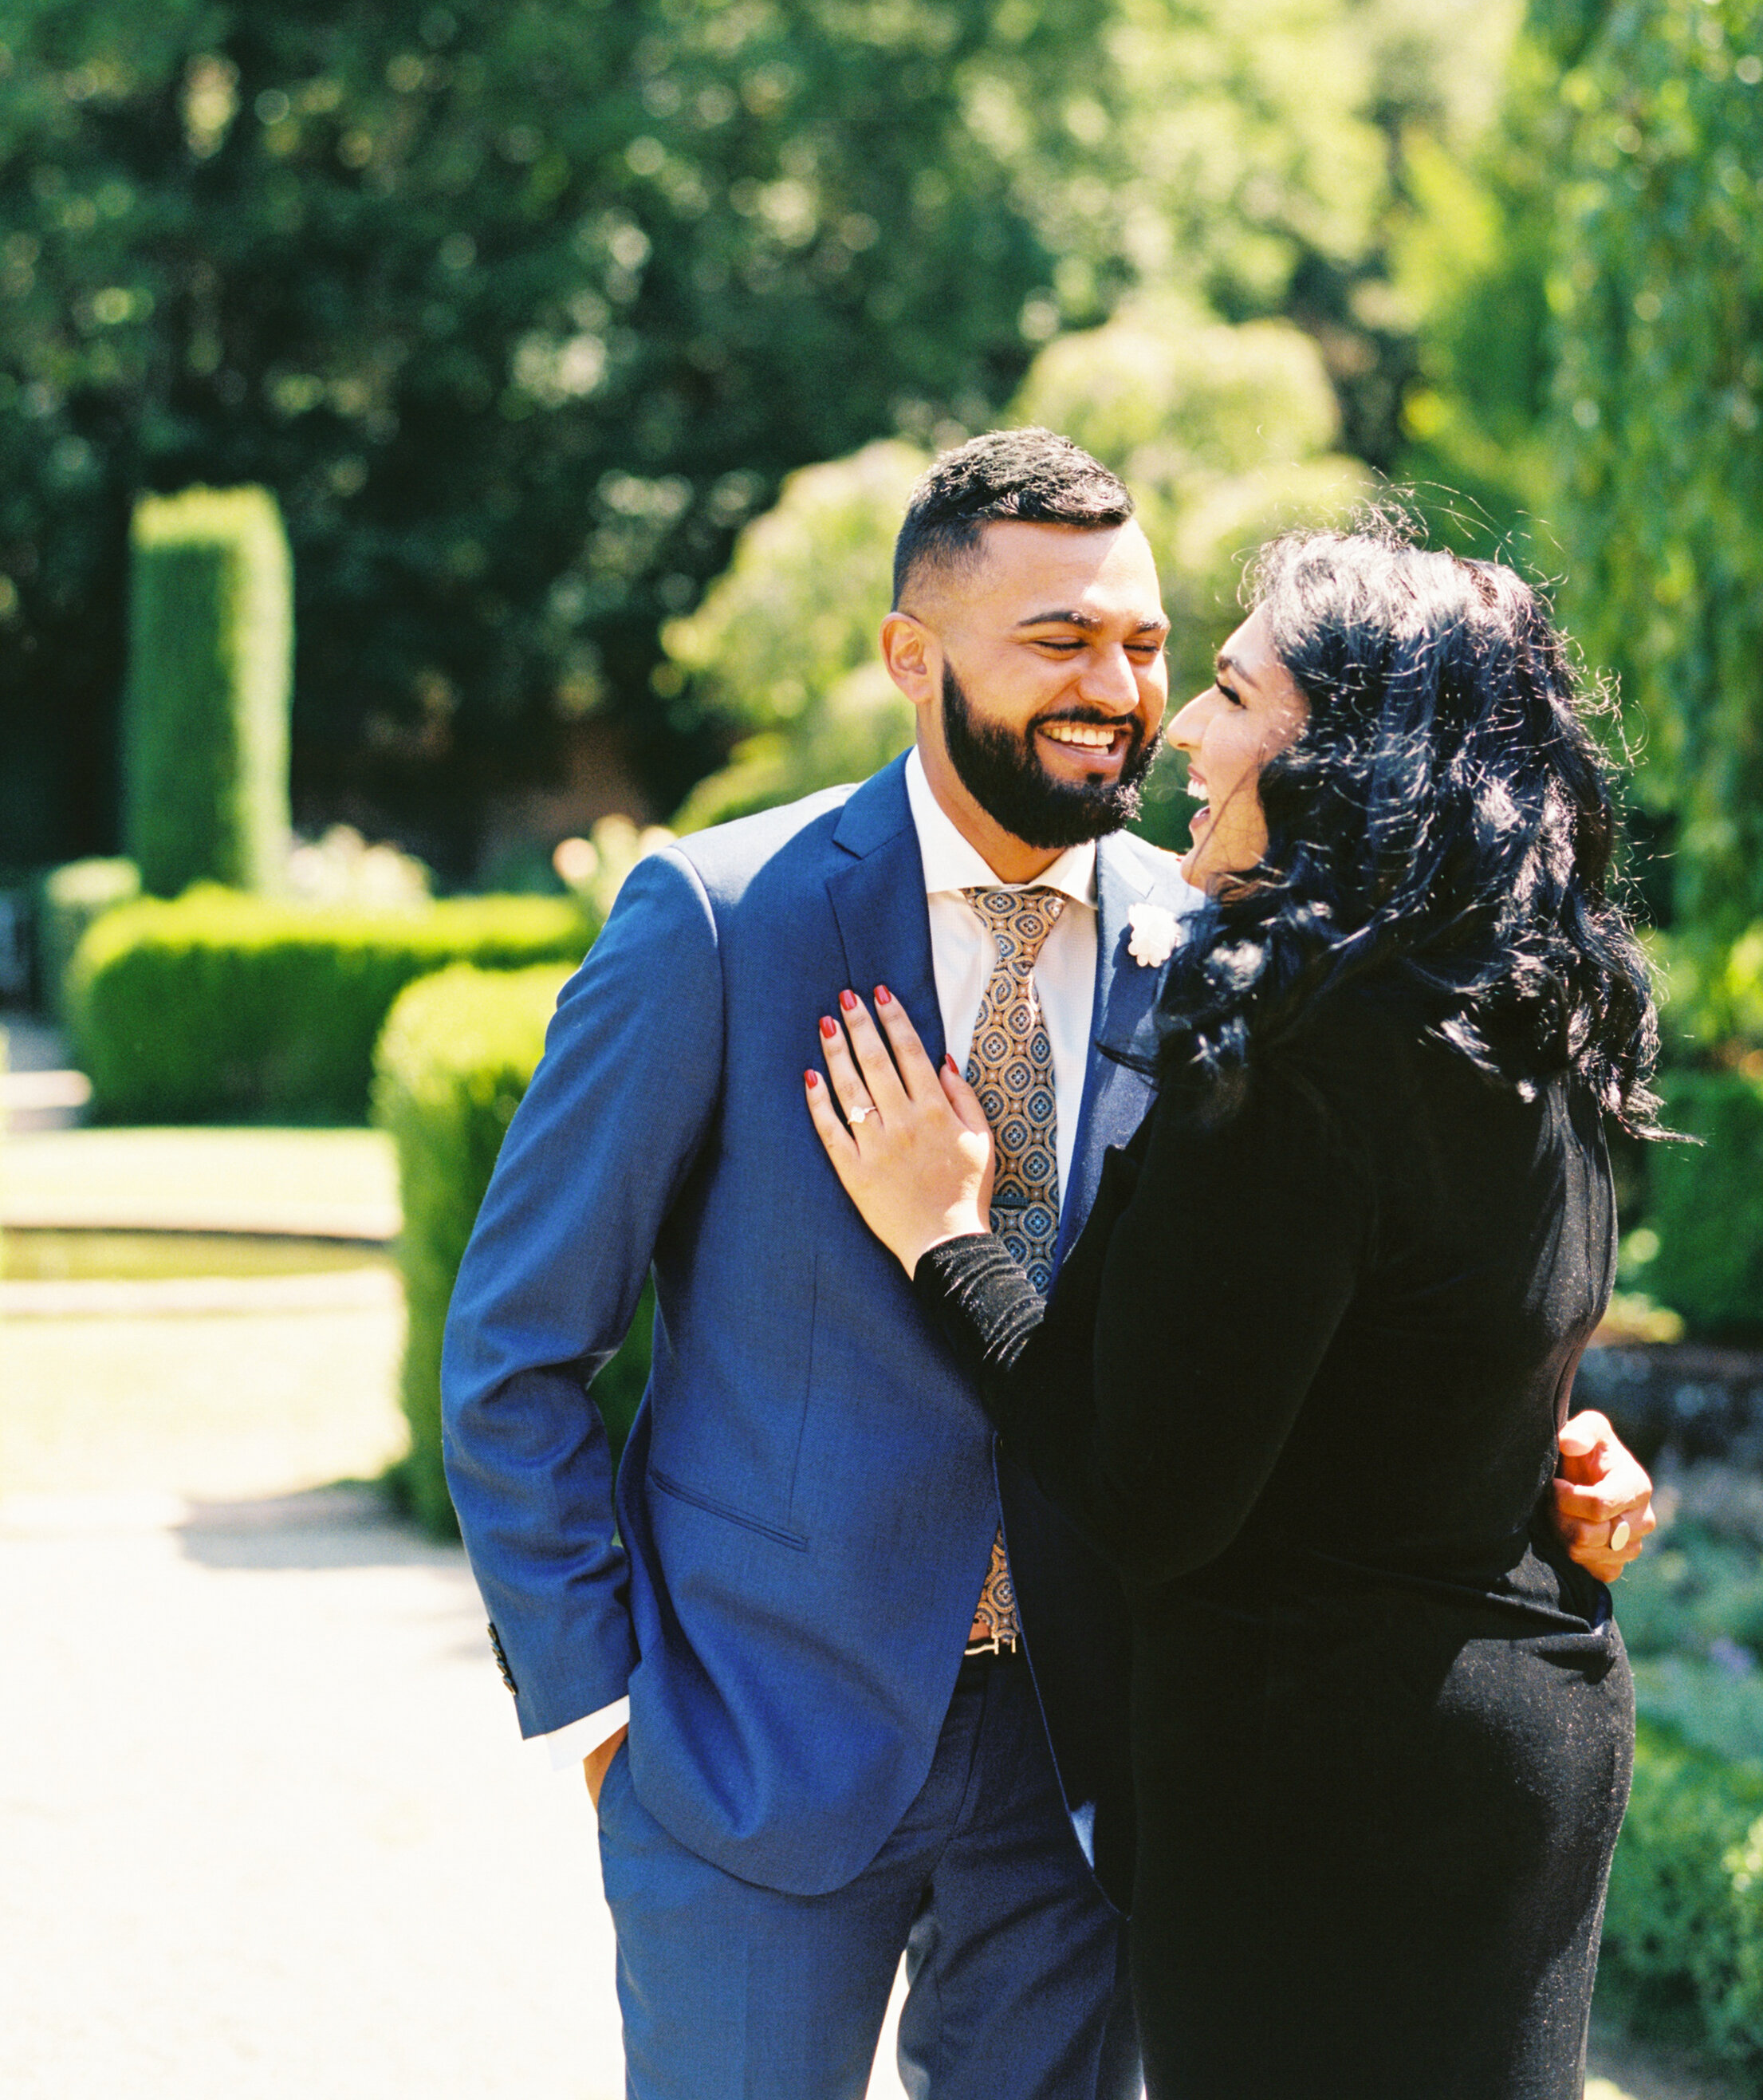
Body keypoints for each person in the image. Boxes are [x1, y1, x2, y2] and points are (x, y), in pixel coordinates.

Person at [442, 439, 1655, 2100]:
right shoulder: (718, 922)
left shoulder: (1238, 950)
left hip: (1091, 1780)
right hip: (751, 1754)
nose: (1119, 692)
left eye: (1150, 647)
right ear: (910, 656)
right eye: (1059, 642)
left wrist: (1532, 1456)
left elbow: (1319, 1317)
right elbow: (517, 1347)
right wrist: (599, 1716)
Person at [805, 525, 1656, 2099]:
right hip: (1529, 1739)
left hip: (1324, 1796)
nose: (1177, 734)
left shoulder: (1292, 1057)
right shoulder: (1525, 1015)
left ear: (1347, 759)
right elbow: (1458, 1345)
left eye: (1226, 692)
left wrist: (943, 1235)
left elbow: (1145, 1491)